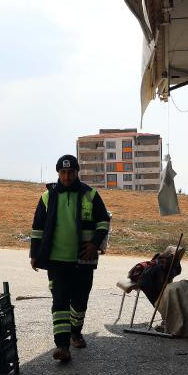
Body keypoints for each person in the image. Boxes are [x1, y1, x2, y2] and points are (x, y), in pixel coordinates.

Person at [30, 155, 110, 362]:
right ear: (58, 173)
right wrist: (35, 255)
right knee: (60, 302)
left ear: (77, 173)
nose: (66, 176)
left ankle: (76, 332)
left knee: (80, 301)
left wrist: (95, 245)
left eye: (70, 172)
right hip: (56, 261)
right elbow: (37, 229)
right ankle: (62, 346)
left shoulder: (90, 195)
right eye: (63, 173)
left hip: (84, 259)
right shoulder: (48, 196)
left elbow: (103, 222)